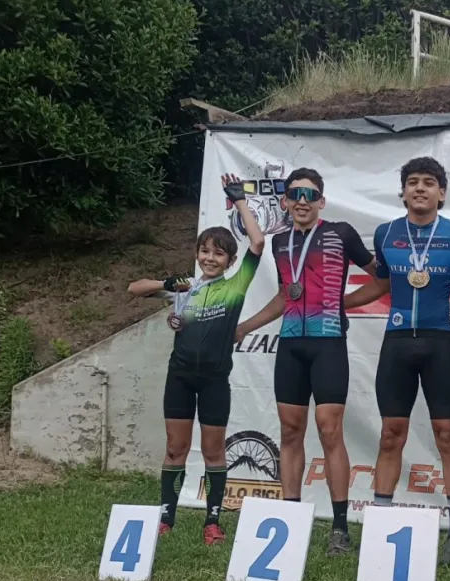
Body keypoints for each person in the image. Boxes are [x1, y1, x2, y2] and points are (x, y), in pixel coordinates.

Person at [235, 167, 376, 556]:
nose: (302, 200)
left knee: (330, 431)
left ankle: (340, 528)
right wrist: (245, 326)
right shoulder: (280, 242)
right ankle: (291, 521)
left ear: (321, 201)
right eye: (295, 194)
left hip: (328, 344)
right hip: (291, 346)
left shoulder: (342, 233)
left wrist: (342, 303)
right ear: (285, 201)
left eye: (310, 194)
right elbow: (286, 295)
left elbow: (381, 279)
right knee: (290, 432)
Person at [345, 156, 450, 565]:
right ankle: (380, 527)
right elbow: (380, 285)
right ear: (403, 192)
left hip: (440, 344)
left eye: (429, 182)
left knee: (447, 436)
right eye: (413, 182)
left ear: (442, 193)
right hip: (397, 344)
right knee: (391, 435)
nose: (420, 188)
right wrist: (336, 304)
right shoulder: (386, 233)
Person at [127, 174, 265, 546]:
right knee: (175, 449)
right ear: (197, 254)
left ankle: (212, 522)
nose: (210, 258)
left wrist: (239, 199)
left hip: (215, 379)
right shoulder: (185, 289)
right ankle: (166, 519)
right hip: (180, 378)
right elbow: (133, 288)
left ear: (230, 261)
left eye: (219, 254)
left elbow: (257, 242)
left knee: (214, 451)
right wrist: (167, 284)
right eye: (205, 251)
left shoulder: (235, 287)